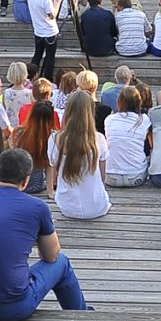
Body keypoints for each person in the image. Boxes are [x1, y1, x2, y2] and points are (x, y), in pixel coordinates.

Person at [0, 150, 90, 321]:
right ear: (26, 180)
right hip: (12, 307)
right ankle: (82, 314)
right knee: (62, 262)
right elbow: (51, 256)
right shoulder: (36, 207)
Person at [52, 79, 110, 219]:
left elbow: (54, 172)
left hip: (67, 207)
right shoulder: (99, 139)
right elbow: (103, 176)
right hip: (97, 207)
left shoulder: (55, 139)